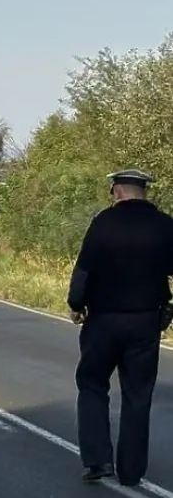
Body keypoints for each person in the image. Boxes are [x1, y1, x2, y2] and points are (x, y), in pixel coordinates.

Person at [67, 169, 173, 486]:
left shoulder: (104, 223)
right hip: (145, 322)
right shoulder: (165, 226)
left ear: (117, 191)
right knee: (138, 394)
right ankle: (131, 471)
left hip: (103, 320)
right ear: (144, 191)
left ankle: (98, 460)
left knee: (92, 384)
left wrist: (76, 303)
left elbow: (84, 269)